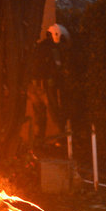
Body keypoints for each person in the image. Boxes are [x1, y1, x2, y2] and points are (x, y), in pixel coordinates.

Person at [28, 23, 71, 151]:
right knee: (54, 112)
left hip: (33, 86)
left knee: (39, 114)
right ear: (56, 35)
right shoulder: (53, 49)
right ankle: (60, 139)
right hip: (46, 85)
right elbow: (57, 68)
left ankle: (38, 141)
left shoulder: (38, 47)